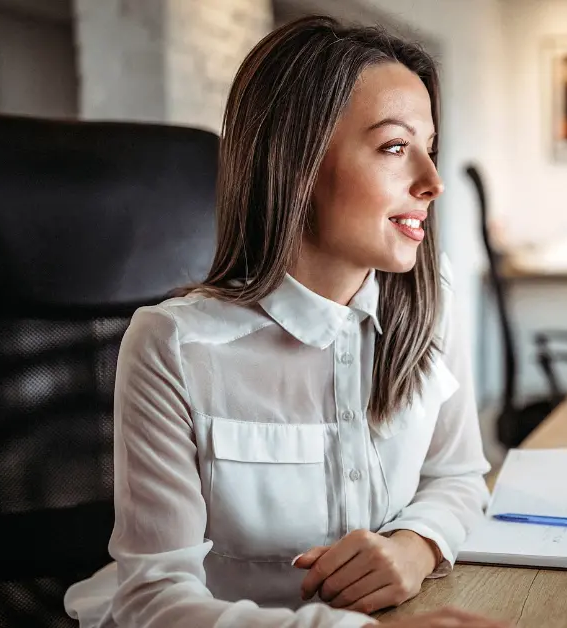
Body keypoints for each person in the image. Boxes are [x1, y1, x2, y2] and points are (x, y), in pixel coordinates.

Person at [63, 15, 509, 628]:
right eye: (395, 148)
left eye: (430, 149)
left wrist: (415, 545)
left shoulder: (434, 295)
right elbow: (152, 599)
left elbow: (457, 476)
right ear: (297, 161)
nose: (432, 182)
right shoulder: (173, 346)